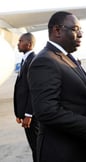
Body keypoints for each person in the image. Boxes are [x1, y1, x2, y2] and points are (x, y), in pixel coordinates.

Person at [27, 11, 86, 162]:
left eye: (81, 30)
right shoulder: (45, 61)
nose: (80, 35)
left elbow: (81, 100)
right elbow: (47, 111)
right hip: (62, 152)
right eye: (75, 29)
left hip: (76, 148)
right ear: (57, 31)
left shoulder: (65, 57)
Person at [13, 32, 39, 162]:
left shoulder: (33, 61)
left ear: (28, 44)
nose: (18, 44)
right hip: (27, 115)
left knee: (37, 147)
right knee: (34, 146)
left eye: (20, 41)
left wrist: (28, 114)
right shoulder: (25, 60)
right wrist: (19, 113)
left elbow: (33, 90)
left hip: (32, 117)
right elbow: (21, 89)